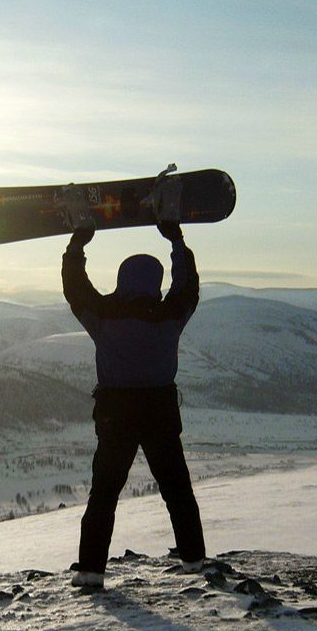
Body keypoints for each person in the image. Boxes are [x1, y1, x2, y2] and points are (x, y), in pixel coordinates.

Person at [62, 219, 206, 588]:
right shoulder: (169, 316)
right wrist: (176, 238)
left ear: (123, 280)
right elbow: (188, 287)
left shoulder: (104, 316)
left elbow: (76, 290)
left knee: (105, 493)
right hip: (160, 412)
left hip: (115, 416)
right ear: (154, 282)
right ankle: (193, 560)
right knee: (177, 490)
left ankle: (91, 570)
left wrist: (77, 245)